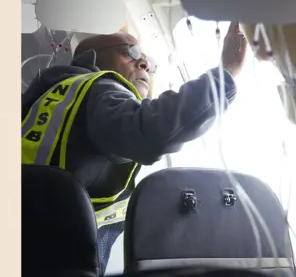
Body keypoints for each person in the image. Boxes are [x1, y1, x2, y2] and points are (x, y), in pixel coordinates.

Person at [21, 23, 247, 275]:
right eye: (132, 51)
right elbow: (148, 130)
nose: (145, 64)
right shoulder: (99, 88)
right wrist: (224, 75)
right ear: (90, 58)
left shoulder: (48, 97)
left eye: (148, 60)